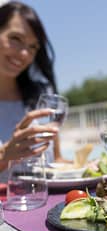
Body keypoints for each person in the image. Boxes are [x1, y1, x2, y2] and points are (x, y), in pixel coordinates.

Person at [0, 1, 66, 173]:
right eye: (15, 39)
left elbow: (57, 160)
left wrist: (88, 168)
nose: (24, 54)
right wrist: (4, 156)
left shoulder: (43, 94)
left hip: (47, 199)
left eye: (32, 47)